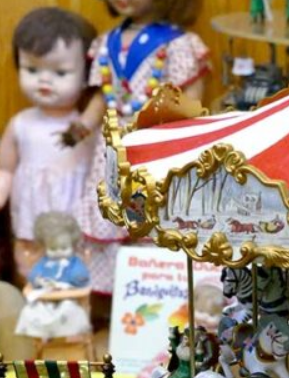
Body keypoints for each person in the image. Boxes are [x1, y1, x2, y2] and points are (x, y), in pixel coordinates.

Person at [66, 0, 209, 306]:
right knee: (111, 209)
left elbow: (191, 102)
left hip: (157, 144)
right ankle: (114, 303)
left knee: (154, 217)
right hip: (113, 145)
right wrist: (82, 126)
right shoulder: (107, 42)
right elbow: (102, 99)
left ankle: (157, 297)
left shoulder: (178, 44)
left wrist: (170, 127)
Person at [0, 8, 96, 277]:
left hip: (74, 212)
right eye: (32, 69)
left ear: (86, 76)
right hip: (31, 210)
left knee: (77, 263)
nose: (44, 80)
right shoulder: (21, 123)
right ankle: (33, 298)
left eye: (60, 73)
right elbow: (5, 168)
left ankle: (75, 300)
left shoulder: (86, 128)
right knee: (30, 258)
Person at [14, 213, 92, 341]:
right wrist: (39, 280)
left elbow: (82, 275)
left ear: (72, 245)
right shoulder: (44, 263)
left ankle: (72, 334)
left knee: (70, 309)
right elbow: (34, 275)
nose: (59, 252)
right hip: (47, 299)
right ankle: (44, 333)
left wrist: (73, 280)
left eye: (64, 248)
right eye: (53, 248)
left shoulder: (73, 262)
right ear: (45, 247)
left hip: (70, 298)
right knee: (35, 310)